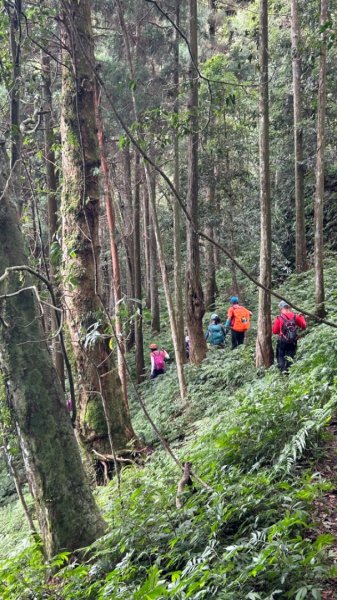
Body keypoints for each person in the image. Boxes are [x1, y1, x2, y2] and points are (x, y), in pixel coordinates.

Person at [272, 300, 307, 372]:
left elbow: (274, 331)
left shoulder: (279, 318)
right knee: (290, 357)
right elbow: (304, 326)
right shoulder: (295, 316)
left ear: (281, 308)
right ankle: (289, 372)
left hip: (282, 341)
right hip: (293, 341)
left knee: (280, 356)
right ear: (289, 307)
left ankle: (282, 371)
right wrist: (302, 317)